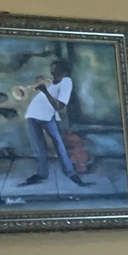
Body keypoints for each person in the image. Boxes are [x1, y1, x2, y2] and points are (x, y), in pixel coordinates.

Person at [20, 59, 89, 188]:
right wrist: (39, 84)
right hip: (32, 114)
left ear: (64, 72)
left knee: (59, 144)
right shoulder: (51, 81)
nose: (52, 71)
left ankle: (70, 172)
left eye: (55, 69)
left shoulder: (66, 82)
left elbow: (59, 106)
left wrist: (45, 91)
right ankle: (41, 173)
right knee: (38, 146)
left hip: (46, 116)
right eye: (52, 69)